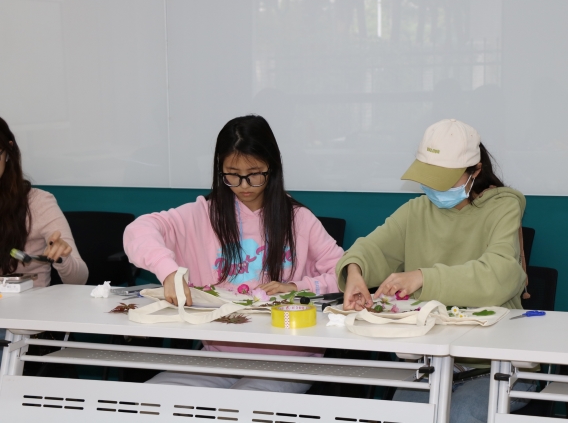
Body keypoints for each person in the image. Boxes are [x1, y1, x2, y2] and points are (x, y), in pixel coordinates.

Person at [123, 114, 343, 393]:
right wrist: (168, 271)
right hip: (219, 356)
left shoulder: (299, 219)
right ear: (220, 170)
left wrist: (296, 287)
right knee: (150, 400)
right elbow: (139, 230)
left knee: (241, 407)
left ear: (272, 167)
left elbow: (344, 275)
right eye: (232, 174)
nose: (244, 185)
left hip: (289, 359)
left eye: (254, 173)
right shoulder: (203, 215)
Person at [336, 118, 533, 423]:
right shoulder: (417, 211)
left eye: (446, 179)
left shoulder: (503, 208)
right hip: (435, 363)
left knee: (461, 415)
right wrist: (354, 271)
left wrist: (422, 277)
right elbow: (370, 248)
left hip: (498, 365)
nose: (436, 188)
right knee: (405, 413)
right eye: (429, 178)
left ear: (475, 171)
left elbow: (499, 275)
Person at [0, 116, 88, 287]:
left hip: (29, 302)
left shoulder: (38, 202)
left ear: (8, 152)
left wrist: (62, 257)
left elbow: (80, 279)